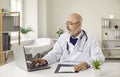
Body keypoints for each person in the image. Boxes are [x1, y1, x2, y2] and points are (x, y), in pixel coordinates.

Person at [31, 13, 105, 71]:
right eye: (66, 23)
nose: (67, 27)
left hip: (83, 70)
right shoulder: (63, 37)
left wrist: (87, 63)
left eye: (70, 23)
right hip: (63, 69)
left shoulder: (91, 38)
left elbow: (99, 57)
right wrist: (45, 60)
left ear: (79, 24)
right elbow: (55, 53)